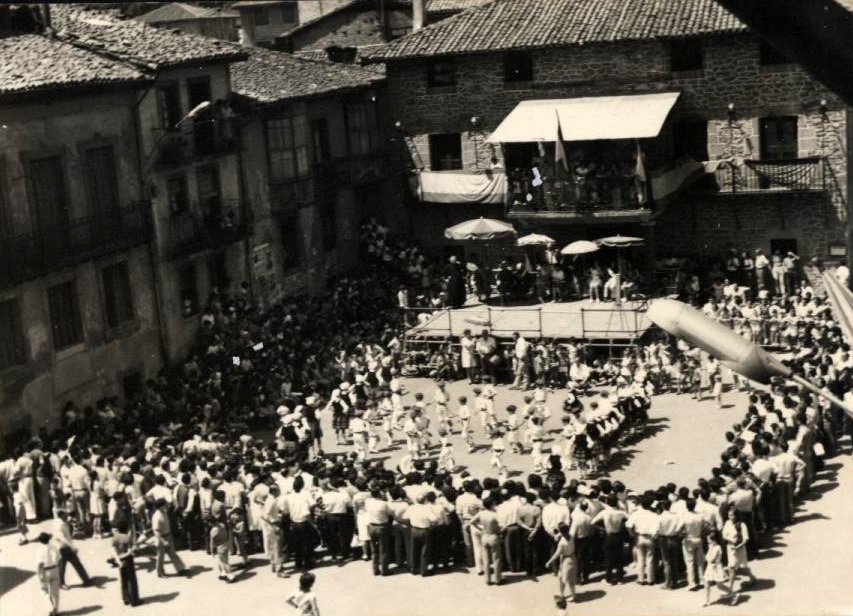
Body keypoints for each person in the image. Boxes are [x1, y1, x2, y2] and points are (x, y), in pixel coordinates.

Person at [53, 509, 92, 589]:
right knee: (62, 567)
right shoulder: (59, 524)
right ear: (61, 515)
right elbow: (62, 538)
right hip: (62, 548)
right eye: (65, 514)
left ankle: (86, 580)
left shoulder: (63, 522)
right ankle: (62, 583)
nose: (67, 516)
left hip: (67, 547)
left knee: (76, 563)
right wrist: (72, 546)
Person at [721, 507, 757, 592]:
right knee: (731, 567)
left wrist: (739, 546)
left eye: (732, 515)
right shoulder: (727, 523)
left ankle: (752, 577)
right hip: (730, 548)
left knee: (743, 567)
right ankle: (731, 588)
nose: (730, 517)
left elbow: (746, 539)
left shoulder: (742, 525)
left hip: (740, 549)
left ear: (736, 516)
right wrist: (731, 540)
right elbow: (724, 535)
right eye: (729, 515)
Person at [470, 496, 503, 586]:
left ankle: (487, 579)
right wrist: (499, 532)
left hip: (484, 536)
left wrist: (480, 529)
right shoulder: (494, 514)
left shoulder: (481, 513)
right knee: (496, 559)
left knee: (486, 559)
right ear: (492, 505)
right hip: (493, 536)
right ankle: (497, 579)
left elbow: (472, 521)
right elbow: (502, 525)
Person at [152, 498, 188, 578]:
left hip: (168, 536)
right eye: (164, 504)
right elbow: (156, 531)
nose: (166, 505)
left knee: (173, 554)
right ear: (160, 506)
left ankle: (180, 569)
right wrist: (163, 541)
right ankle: (160, 573)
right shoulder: (156, 517)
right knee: (160, 557)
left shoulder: (164, 512)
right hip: (161, 539)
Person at [702, 532, 737, 606]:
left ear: (714, 540)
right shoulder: (711, 547)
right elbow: (708, 558)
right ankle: (706, 600)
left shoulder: (717, 548)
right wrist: (708, 555)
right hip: (710, 567)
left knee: (719, 586)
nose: (707, 541)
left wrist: (707, 556)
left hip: (716, 568)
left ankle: (734, 595)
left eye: (709, 539)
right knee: (706, 583)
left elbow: (710, 559)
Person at [545, 522, 577, 602]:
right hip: (572, 557)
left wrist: (549, 562)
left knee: (568, 579)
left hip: (566, 560)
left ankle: (573, 596)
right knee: (562, 577)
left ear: (561, 531)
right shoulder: (571, 536)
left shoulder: (562, 543)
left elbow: (556, 554)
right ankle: (561, 593)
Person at [112, 521, 142, 606]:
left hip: (120, 561)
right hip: (128, 560)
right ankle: (134, 600)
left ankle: (126, 599)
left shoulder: (115, 538)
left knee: (124, 579)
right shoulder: (127, 538)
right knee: (132, 580)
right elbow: (129, 551)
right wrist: (133, 549)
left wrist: (118, 558)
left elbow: (112, 549)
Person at [36, 532, 61, 616]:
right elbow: (59, 559)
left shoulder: (40, 549)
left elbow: (40, 564)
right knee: (55, 592)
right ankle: (56, 610)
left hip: (45, 571)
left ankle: (51, 608)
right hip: (55, 569)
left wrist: (40, 574)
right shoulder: (54, 547)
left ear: (40, 541)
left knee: (44, 591)